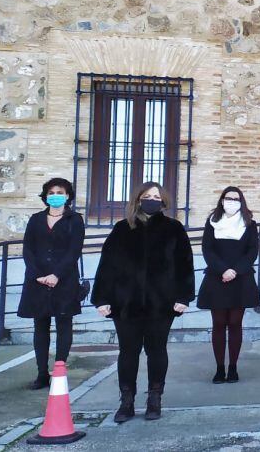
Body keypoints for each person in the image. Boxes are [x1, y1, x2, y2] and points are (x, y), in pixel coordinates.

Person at [92, 182, 194, 423]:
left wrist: (183, 297)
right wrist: (102, 298)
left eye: (156, 196)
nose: (151, 200)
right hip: (126, 302)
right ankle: (126, 401)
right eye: (147, 196)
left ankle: (154, 399)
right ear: (138, 200)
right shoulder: (122, 229)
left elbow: (185, 265)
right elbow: (107, 265)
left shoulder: (174, 229)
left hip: (162, 303)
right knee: (128, 352)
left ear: (164, 201)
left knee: (157, 351)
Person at [18, 178, 84, 390]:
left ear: (67, 196)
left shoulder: (75, 220)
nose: (55, 195)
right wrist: (37, 274)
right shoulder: (36, 219)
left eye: (60, 191)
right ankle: (41, 373)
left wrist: (57, 274)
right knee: (40, 326)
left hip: (64, 280)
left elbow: (74, 250)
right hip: (37, 280)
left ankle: (59, 371)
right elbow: (28, 248)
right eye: (51, 191)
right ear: (45, 196)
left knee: (64, 325)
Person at [197, 187, 260, 384]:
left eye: (236, 198)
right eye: (228, 198)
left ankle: (232, 367)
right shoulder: (212, 222)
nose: (231, 201)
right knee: (218, 323)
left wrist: (235, 270)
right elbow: (207, 249)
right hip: (217, 277)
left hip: (240, 278)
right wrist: (223, 270)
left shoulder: (250, 224)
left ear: (241, 201)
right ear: (222, 201)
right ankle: (219, 368)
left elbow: (252, 251)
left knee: (235, 323)